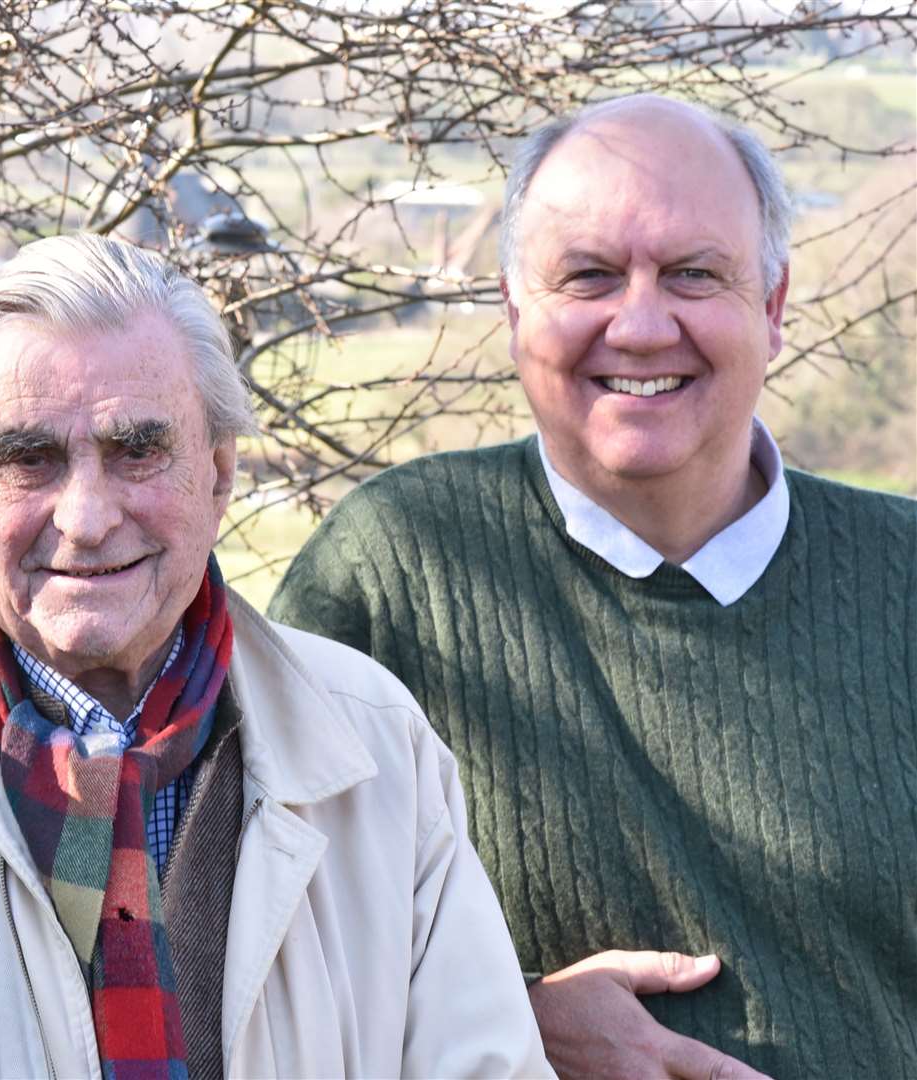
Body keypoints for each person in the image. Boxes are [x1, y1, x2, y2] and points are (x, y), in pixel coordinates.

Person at [0, 233, 550, 1077]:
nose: (86, 516)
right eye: (28, 460)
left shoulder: (376, 748)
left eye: (136, 450)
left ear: (219, 473)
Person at [270, 94, 917, 1078]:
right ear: (515, 308)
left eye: (694, 274)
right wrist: (506, 1023)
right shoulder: (393, 571)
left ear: (774, 306)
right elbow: (253, 963)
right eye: (590, 276)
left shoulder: (902, 575)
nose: (643, 325)